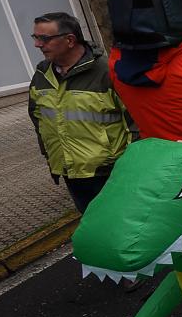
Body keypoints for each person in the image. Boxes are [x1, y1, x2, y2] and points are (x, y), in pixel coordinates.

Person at [29, 12, 130, 214]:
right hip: (71, 172)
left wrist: (133, 165)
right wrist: (50, 156)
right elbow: (38, 119)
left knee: (121, 227)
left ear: (70, 40)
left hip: (110, 173)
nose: (38, 45)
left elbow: (134, 121)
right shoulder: (42, 75)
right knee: (93, 230)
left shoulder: (105, 71)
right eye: (36, 38)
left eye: (44, 39)